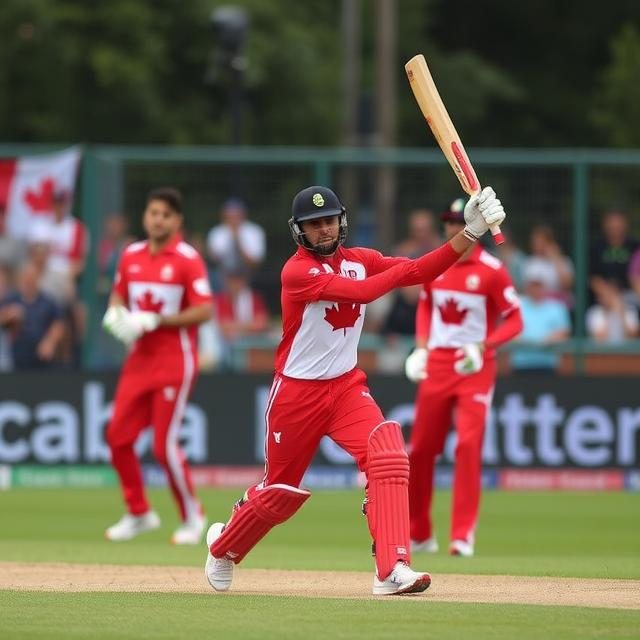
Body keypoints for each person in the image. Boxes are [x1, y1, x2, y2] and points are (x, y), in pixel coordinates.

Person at [203, 184, 507, 595]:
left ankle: (391, 567)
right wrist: (456, 241)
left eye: (329, 221)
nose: (324, 230)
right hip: (296, 393)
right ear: (300, 232)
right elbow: (366, 292)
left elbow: (420, 271)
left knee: (389, 455)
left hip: (346, 386)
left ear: (341, 222)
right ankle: (224, 547)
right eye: (314, 225)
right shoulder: (297, 271)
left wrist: (469, 234)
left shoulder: (361, 260)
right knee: (277, 493)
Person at [404, 198, 523, 558]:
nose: (455, 229)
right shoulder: (436, 265)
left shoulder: (491, 269)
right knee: (421, 450)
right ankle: (420, 532)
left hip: (474, 367)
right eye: (450, 222)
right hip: (438, 364)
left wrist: (484, 347)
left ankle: (462, 535)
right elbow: (426, 304)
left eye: (461, 222)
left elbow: (515, 320)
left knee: (468, 446)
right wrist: (421, 348)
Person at [102, 187, 214, 545]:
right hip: (138, 360)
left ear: (177, 220)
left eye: (165, 214)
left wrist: (156, 320)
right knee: (117, 437)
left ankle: (192, 515)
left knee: (163, 446)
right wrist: (115, 316)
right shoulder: (130, 254)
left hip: (173, 360)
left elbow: (205, 310)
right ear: (145, 216)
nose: (158, 219)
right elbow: (118, 294)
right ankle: (138, 512)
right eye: (153, 213)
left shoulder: (186, 258)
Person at [510, 258, 571, 373]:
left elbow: (563, 333)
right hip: (521, 366)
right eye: (533, 284)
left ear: (546, 285)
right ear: (527, 284)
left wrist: (543, 341)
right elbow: (510, 332)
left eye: (539, 284)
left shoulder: (557, 307)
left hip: (548, 366)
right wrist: (540, 342)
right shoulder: (516, 305)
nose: (536, 288)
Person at [0, 262, 65, 369]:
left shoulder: (47, 301)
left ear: (38, 279)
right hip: (15, 353)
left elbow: (58, 323)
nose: (28, 281)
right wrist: (9, 315)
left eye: (31, 277)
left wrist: (50, 341)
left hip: (41, 354)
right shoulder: (11, 299)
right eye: (26, 277)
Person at [206, 198, 266, 286]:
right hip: (222, 277)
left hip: (250, 276)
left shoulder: (254, 231)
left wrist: (238, 240)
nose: (233, 219)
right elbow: (214, 260)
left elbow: (255, 262)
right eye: (230, 216)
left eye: (236, 215)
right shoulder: (217, 232)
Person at [586, 278, 639, 342]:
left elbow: (632, 337)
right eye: (604, 295)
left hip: (625, 351)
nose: (608, 298)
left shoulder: (630, 310)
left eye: (611, 294)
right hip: (603, 351)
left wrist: (622, 314)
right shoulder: (594, 312)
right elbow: (600, 339)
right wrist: (606, 313)